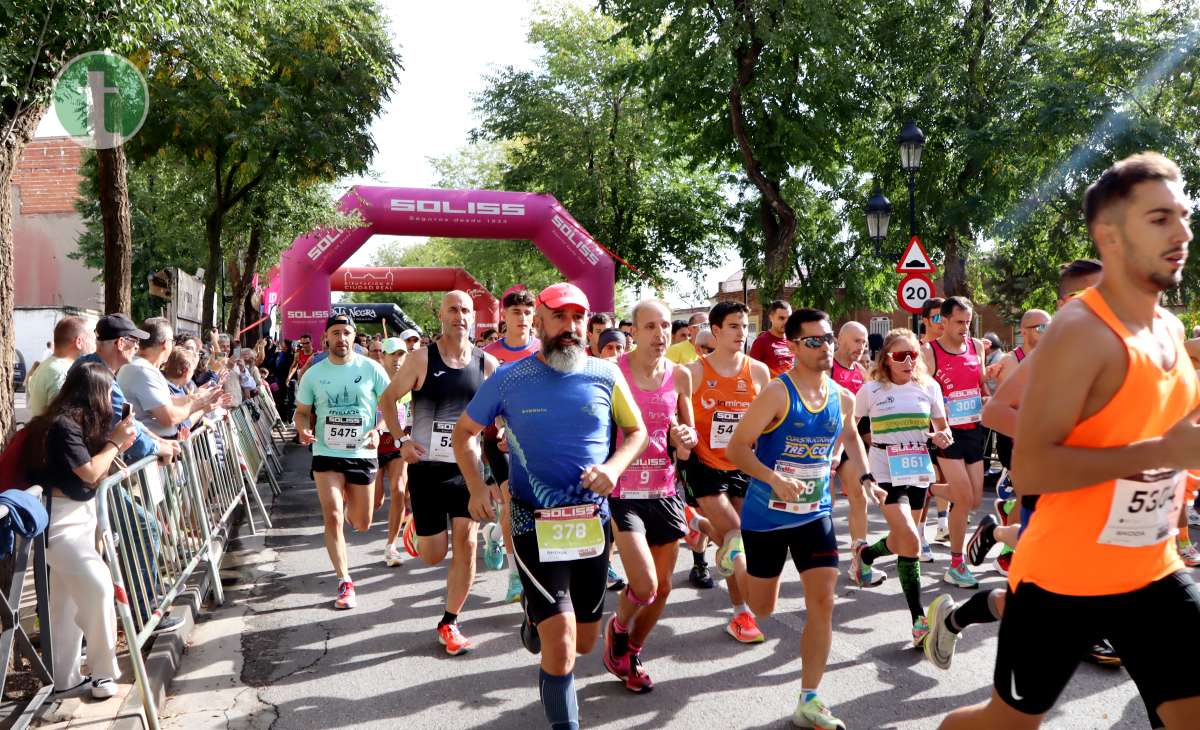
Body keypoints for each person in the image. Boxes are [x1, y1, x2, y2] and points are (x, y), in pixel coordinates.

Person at [939, 152, 1200, 730]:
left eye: (1182, 215)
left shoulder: (1170, 328)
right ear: (1109, 235)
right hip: (1064, 579)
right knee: (1005, 724)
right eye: (1159, 219)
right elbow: (1031, 468)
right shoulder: (1080, 332)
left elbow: (1166, 426)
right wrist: (1163, 453)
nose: (1182, 231)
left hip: (1152, 568)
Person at [453, 282, 647, 730]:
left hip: (591, 524)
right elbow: (465, 432)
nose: (570, 327)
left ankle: (532, 618)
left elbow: (635, 433)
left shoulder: (606, 374)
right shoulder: (509, 377)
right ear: (538, 322)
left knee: (583, 641)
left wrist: (615, 468)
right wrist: (477, 485)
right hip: (530, 521)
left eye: (578, 318)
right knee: (560, 645)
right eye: (559, 317)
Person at [923, 259, 1118, 671]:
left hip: (1101, 491)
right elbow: (997, 410)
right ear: (1069, 304)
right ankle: (957, 605)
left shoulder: (1126, 345)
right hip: (1030, 466)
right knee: (1034, 588)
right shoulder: (1048, 356)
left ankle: (994, 537)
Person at [726, 307, 879, 730]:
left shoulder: (843, 396)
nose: (825, 347)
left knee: (824, 603)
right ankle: (735, 555)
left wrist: (865, 477)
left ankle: (809, 698)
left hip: (815, 512)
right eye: (814, 341)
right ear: (793, 346)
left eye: (828, 339)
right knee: (763, 607)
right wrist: (773, 478)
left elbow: (850, 436)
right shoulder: (778, 393)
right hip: (766, 517)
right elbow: (737, 449)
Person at [379, 291, 499, 655]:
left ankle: (450, 621)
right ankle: (416, 527)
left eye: (465, 310)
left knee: (467, 542)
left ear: (472, 317)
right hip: (427, 470)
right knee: (433, 554)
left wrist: (503, 431)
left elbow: (500, 412)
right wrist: (401, 439)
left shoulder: (487, 364)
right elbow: (387, 400)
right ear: (441, 315)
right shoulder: (420, 359)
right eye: (453, 309)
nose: (459, 316)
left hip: (468, 471)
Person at [601, 299, 701, 693]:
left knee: (663, 589)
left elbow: (688, 443)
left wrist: (685, 439)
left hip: (664, 488)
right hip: (624, 490)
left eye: (665, 326)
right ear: (633, 331)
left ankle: (632, 653)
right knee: (643, 585)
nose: (660, 334)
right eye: (650, 327)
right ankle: (618, 629)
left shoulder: (680, 376)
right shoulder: (612, 372)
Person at [24, 362, 138, 699]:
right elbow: (89, 473)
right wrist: (115, 444)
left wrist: (115, 448)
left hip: (79, 517)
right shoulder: (62, 426)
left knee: (67, 603)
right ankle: (103, 671)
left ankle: (66, 677)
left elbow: (93, 473)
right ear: (95, 395)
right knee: (98, 585)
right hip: (59, 523)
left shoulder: (74, 424)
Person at [850, 329, 952, 643]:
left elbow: (943, 428)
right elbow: (850, 427)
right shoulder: (871, 390)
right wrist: (848, 463)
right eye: (900, 355)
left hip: (918, 469)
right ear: (886, 359)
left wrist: (942, 437)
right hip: (884, 469)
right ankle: (918, 618)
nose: (908, 361)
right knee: (910, 538)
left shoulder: (929, 387)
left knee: (904, 540)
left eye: (913, 355)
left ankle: (866, 556)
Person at [681, 300, 771, 643]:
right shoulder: (694, 372)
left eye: (745, 326)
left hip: (743, 465)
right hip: (704, 465)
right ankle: (742, 614)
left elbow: (768, 422)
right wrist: (682, 434)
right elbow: (674, 417)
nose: (741, 332)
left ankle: (698, 524)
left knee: (736, 541)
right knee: (735, 536)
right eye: (733, 326)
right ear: (715, 331)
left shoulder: (758, 372)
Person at [294, 314, 391, 610]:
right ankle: (345, 580)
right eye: (335, 333)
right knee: (333, 515)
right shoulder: (313, 373)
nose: (341, 338)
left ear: (353, 336)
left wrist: (379, 429)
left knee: (361, 523)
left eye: (346, 332)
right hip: (326, 453)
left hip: (361, 454)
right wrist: (302, 428)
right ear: (327, 338)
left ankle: (352, 501)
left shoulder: (372, 369)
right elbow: (301, 412)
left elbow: (391, 408)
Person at [921, 296, 989, 588]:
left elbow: (980, 384)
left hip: (974, 428)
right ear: (943, 321)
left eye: (968, 322)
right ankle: (957, 563)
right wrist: (933, 428)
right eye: (959, 322)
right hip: (946, 432)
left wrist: (988, 394)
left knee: (973, 500)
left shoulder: (975, 347)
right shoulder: (929, 352)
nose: (965, 328)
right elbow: (920, 395)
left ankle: (927, 489)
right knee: (962, 497)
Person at [481, 289, 541, 603]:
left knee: (534, 507)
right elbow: (480, 401)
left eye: (527, 313)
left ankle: (492, 534)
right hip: (496, 441)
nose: (522, 319)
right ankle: (516, 577)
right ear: (504, 316)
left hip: (535, 442)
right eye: (516, 312)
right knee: (511, 501)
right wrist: (502, 425)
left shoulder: (544, 351)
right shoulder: (489, 354)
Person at [118, 318, 224, 440]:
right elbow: (169, 419)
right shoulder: (142, 369)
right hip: (154, 450)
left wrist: (195, 397)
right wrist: (199, 404)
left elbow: (165, 400)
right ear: (165, 343)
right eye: (172, 342)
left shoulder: (144, 367)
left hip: (160, 446)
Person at [830, 320, 879, 585]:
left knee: (859, 496)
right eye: (856, 341)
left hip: (848, 442)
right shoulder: (827, 367)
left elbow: (865, 418)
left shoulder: (861, 372)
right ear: (841, 340)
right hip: (821, 444)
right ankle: (817, 553)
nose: (861, 347)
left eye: (864, 343)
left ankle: (859, 559)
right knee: (823, 504)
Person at [917, 297, 949, 557]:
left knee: (945, 478)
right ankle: (919, 535)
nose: (942, 324)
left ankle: (943, 525)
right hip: (922, 427)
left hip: (948, 423)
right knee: (925, 480)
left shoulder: (956, 349)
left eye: (944, 318)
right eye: (937, 318)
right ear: (925, 320)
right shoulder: (917, 351)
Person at [376, 337, 412, 567]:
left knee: (399, 490)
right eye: (392, 354)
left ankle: (391, 546)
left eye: (401, 354)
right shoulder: (372, 381)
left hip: (398, 445)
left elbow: (413, 413)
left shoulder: (411, 382)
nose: (397, 359)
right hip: (373, 446)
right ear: (382, 357)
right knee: (376, 502)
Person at [26, 316, 94, 417]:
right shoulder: (62, 373)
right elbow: (63, 423)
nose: (94, 344)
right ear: (79, 342)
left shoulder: (48, 366)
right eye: (91, 339)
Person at [748, 300, 793, 376]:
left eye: (789, 318)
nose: (786, 322)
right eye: (781, 318)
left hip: (791, 386)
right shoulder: (762, 341)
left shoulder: (793, 340)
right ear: (771, 317)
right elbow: (751, 371)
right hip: (770, 387)